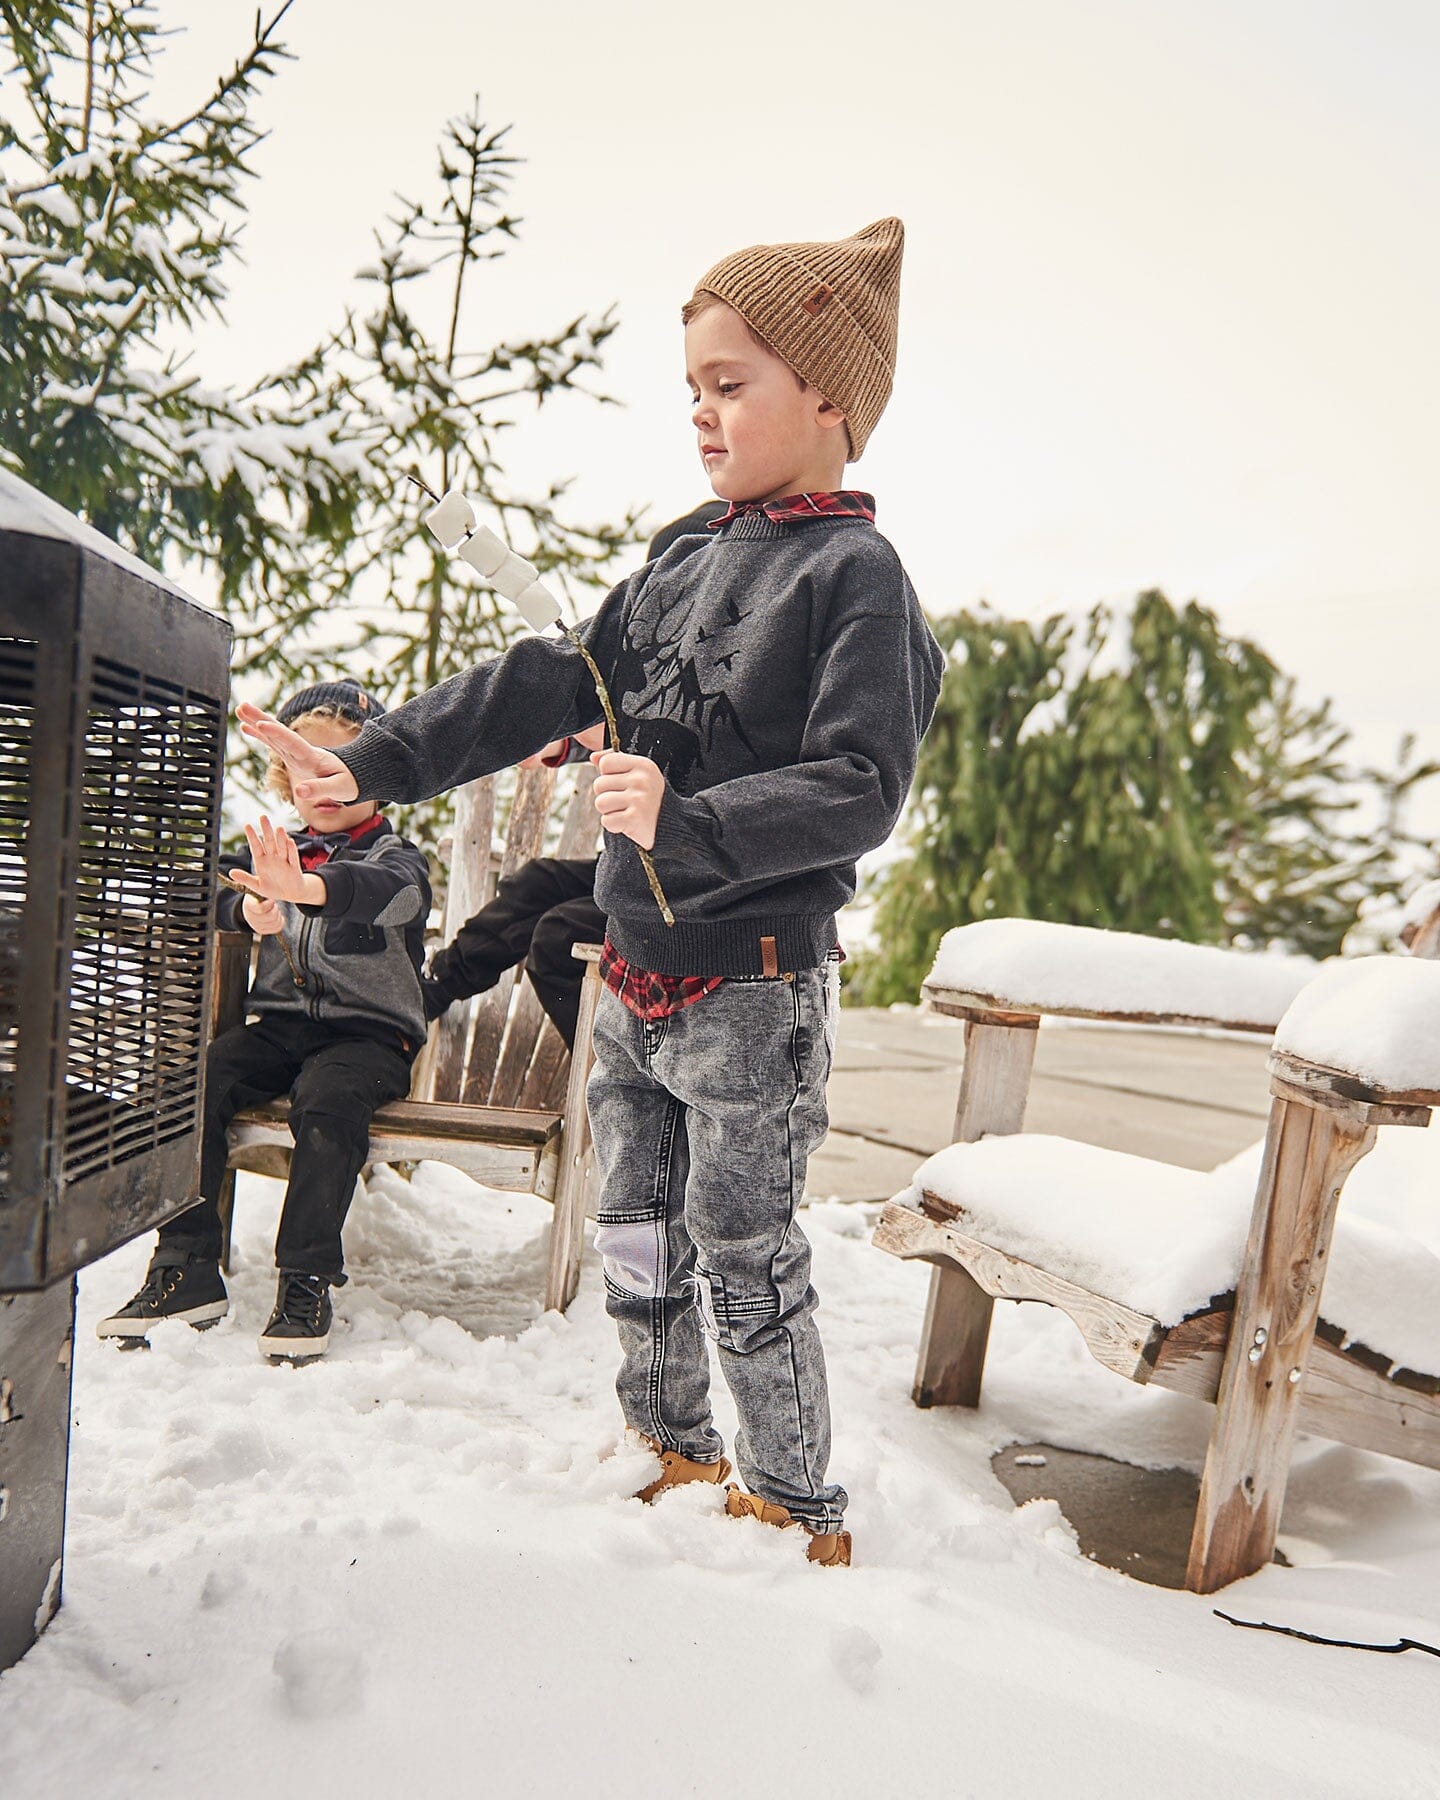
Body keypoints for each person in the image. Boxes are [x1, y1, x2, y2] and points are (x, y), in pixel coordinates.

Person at [240, 219, 943, 1561]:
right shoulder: (678, 564)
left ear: (832, 399)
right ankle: (668, 1438)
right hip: (628, 975)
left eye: (731, 384)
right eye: (692, 387)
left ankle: (793, 1501)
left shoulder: (855, 580)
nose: (700, 411)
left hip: (754, 985)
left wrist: (689, 819)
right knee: (632, 1225)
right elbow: (540, 683)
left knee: (742, 1243)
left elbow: (862, 782)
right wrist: (372, 762)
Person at [97, 680, 430, 1360]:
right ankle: (185, 1263)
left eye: (336, 769)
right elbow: (206, 886)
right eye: (303, 773)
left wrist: (304, 889)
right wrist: (244, 910)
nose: (320, 787)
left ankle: (305, 1277)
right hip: (279, 1028)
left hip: (367, 1036)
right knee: (201, 1082)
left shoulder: (395, 861)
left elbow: (385, 896)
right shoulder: (273, 852)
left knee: (327, 1100)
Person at [421, 504, 726, 1047]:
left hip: (698, 881)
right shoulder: (659, 667)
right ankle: (432, 989)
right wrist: (569, 742)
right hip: (639, 866)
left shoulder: (727, 677)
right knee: (538, 882)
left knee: (557, 936)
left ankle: (611, 1054)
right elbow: (625, 729)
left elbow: (687, 753)